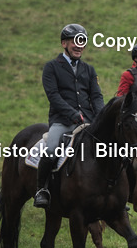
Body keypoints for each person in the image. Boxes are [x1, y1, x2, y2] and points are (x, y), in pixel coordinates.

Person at [33, 23, 106, 208]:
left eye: (82, 42)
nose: (79, 45)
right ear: (64, 43)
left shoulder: (89, 70)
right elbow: (54, 96)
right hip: (62, 121)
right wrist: (72, 114)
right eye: (75, 41)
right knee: (51, 150)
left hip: (88, 121)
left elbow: (96, 96)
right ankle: (42, 189)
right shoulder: (51, 67)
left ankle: (112, 193)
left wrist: (100, 117)